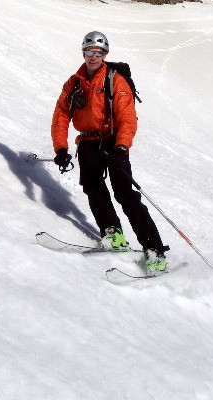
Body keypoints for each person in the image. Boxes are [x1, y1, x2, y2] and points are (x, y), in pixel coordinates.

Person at [51, 30, 168, 274]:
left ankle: (154, 249)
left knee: (125, 193)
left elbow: (127, 117)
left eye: (98, 52)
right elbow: (61, 115)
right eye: (89, 52)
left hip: (113, 141)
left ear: (105, 55)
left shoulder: (115, 80)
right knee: (93, 188)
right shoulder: (74, 82)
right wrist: (61, 148)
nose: (93, 56)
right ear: (83, 52)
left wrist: (122, 147)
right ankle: (112, 233)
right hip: (87, 142)